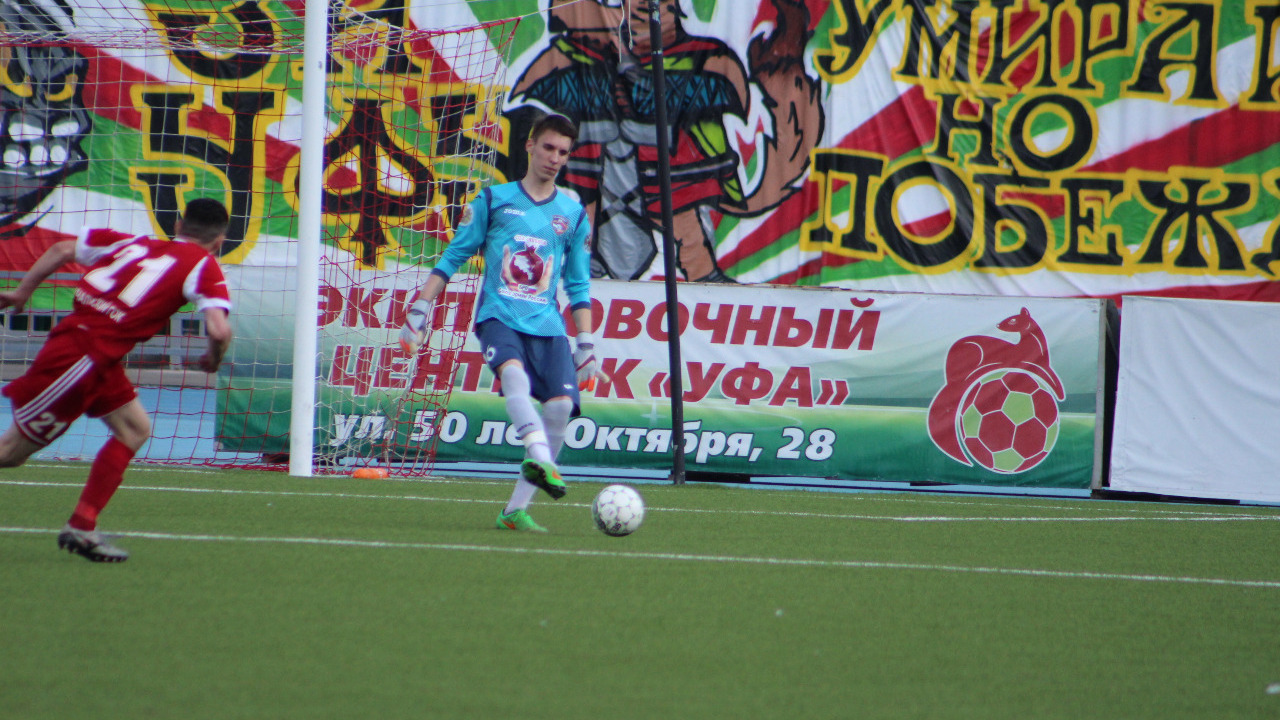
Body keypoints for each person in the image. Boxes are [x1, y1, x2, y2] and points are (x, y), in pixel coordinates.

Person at [0, 198, 234, 562]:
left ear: (177, 226)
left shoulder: (133, 241)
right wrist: (213, 359)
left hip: (96, 357)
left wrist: (22, 292)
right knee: (9, 454)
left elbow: (62, 249)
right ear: (219, 241)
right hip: (79, 360)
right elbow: (219, 330)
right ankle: (81, 526)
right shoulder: (203, 265)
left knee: (134, 429)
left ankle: (82, 525)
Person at [400, 113, 599, 533]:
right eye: (548, 147)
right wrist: (420, 308)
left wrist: (585, 343)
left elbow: (579, 284)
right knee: (513, 376)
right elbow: (454, 255)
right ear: (530, 146)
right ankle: (540, 457)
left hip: (547, 326)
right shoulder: (493, 200)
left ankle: (513, 512)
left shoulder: (572, 213)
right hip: (499, 316)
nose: (555, 158)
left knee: (561, 409)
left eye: (563, 152)